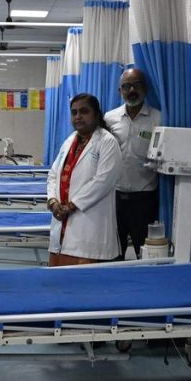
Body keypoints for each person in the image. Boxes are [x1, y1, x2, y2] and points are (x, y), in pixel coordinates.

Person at [46, 93, 122, 266]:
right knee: (56, 278)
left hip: (89, 226)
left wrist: (70, 206)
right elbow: (53, 175)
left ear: (96, 115)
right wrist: (53, 202)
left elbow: (103, 182)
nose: (78, 116)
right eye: (74, 112)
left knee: (82, 279)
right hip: (61, 224)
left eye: (84, 111)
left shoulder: (107, 142)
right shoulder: (69, 141)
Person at [103, 68, 162, 259]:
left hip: (144, 199)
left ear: (145, 88)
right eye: (126, 86)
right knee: (112, 254)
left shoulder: (158, 118)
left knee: (144, 254)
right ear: (119, 90)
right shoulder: (109, 118)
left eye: (136, 85)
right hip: (114, 197)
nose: (131, 90)